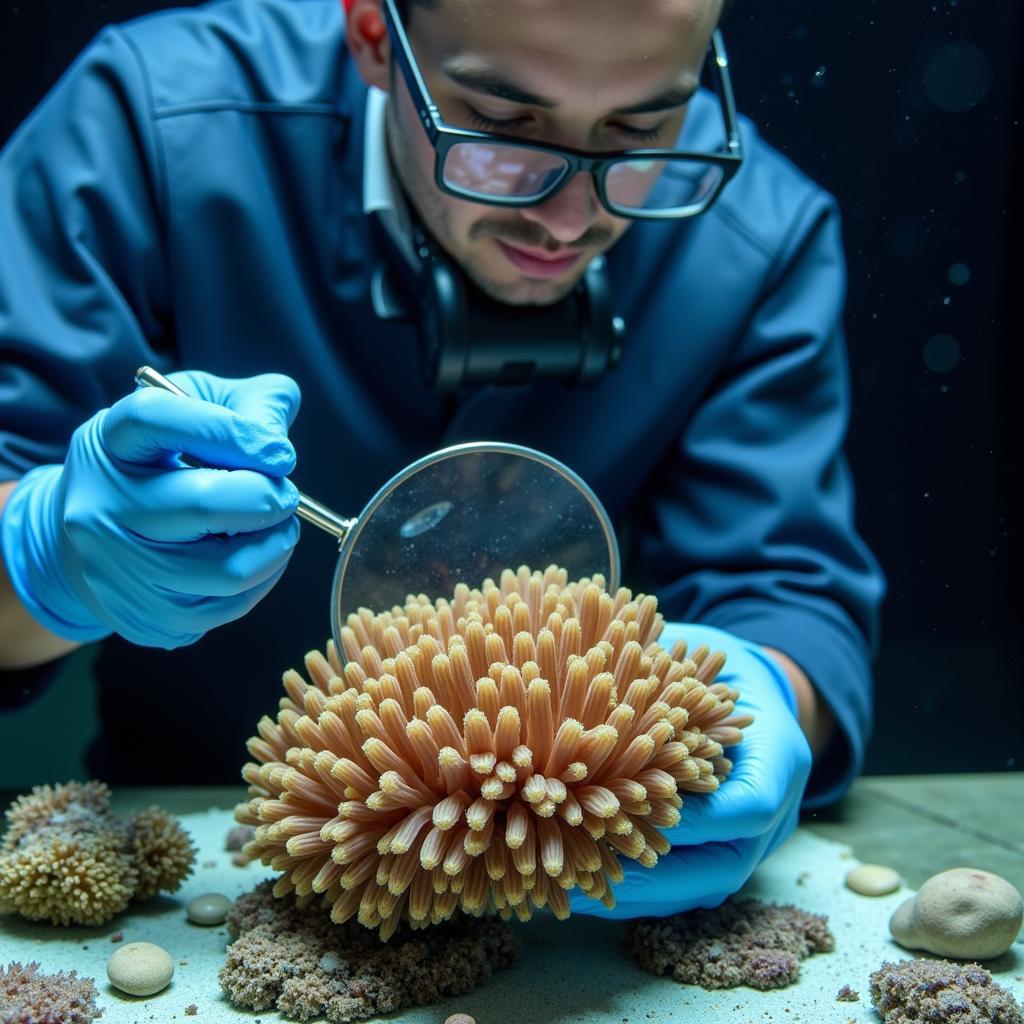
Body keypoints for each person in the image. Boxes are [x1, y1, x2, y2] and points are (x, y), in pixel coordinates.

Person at [0, 0, 884, 918]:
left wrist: (763, 689)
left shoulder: (763, 234)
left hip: (571, 880)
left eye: (643, 127)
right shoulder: (146, 121)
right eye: (503, 124)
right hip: (207, 866)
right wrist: (45, 558)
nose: (567, 221)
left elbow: (790, 591)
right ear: (375, 36)